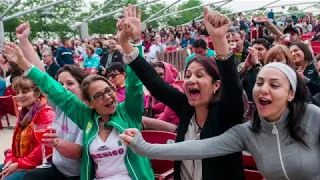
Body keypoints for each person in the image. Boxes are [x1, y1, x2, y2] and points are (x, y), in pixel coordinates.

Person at [4, 5, 154, 179]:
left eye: (108, 90)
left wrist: (132, 42)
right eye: (98, 95)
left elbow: (135, 82)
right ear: (89, 102)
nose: (107, 97)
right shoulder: (87, 117)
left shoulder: (128, 113)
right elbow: (51, 86)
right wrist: (22, 62)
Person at [121, 62, 320, 180]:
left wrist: (220, 41)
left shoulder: (312, 115)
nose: (263, 89)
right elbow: (197, 148)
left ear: (291, 94)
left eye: (274, 85)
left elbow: (231, 86)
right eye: (259, 83)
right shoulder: (247, 132)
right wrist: (144, 147)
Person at [117, 7, 245, 180]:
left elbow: (232, 85)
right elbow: (154, 83)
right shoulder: (186, 107)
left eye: (199, 75)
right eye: (188, 75)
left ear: (216, 86)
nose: (191, 80)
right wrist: (127, 42)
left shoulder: (227, 114)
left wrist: (218, 38)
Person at [14, 22, 86, 180]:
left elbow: (78, 152)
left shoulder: (87, 113)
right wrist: (24, 41)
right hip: (57, 167)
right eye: (60, 85)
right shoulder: (60, 106)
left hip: (77, 174)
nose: (64, 88)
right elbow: (41, 76)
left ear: (83, 86)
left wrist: (56, 142)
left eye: (70, 83)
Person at [0, 76, 54, 180]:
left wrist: (18, 165)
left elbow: (43, 149)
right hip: (20, 161)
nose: (20, 96)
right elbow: (15, 144)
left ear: (37, 92)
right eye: (18, 92)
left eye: (24, 91)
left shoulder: (46, 113)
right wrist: (10, 160)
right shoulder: (22, 114)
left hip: (36, 167)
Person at [142, 61, 183, 132]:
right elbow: (147, 111)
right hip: (157, 124)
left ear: (167, 74)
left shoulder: (174, 90)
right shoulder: (152, 91)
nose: (157, 77)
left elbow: (167, 116)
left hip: (174, 126)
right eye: (155, 74)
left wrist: (150, 126)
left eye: (161, 74)